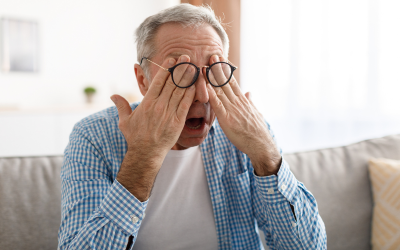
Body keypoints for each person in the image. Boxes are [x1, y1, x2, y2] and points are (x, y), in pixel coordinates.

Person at [58, 4, 326, 250]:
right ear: (143, 80)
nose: (204, 95)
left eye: (214, 71)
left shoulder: (248, 130)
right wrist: (144, 156)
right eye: (181, 73)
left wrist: (266, 156)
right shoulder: (93, 136)